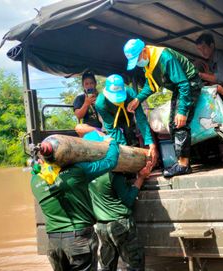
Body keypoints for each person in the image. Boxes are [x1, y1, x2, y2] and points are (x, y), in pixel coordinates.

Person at [30, 138, 120, 271]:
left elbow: (38, 172)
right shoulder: (76, 172)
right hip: (78, 239)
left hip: (54, 244)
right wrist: (113, 143)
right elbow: (110, 162)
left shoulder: (34, 181)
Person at [123, 38, 202, 177]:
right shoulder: (149, 63)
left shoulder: (165, 57)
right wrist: (137, 99)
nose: (138, 63)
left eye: (137, 59)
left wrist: (182, 111)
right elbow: (151, 84)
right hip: (180, 88)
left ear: (144, 50)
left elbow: (184, 84)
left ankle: (183, 165)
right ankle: (184, 162)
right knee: (172, 124)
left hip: (189, 84)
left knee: (179, 123)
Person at [84, 132, 153, 271]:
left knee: (106, 267)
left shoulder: (84, 173)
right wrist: (140, 178)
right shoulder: (113, 174)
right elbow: (128, 200)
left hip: (101, 228)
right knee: (135, 265)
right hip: (120, 226)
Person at [95, 74, 158, 164]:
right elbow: (112, 127)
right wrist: (124, 150)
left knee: (130, 135)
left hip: (127, 117)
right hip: (113, 120)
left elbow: (141, 119)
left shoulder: (130, 93)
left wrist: (150, 143)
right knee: (119, 143)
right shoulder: (100, 103)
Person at [194, 33, 223, 115]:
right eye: (199, 49)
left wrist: (200, 75)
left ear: (211, 46)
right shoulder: (210, 61)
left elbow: (220, 79)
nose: (202, 52)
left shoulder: (222, 57)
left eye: (204, 47)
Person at [74, 72, 104, 137]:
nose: (89, 86)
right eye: (86, 84)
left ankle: (103, 134)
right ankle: (102, 135)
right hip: (89, 129)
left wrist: (98, 104)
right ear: (83, 85)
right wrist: (86, 103)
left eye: (91, 83)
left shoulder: (102, 96)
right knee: (79, 127)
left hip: (105, 127)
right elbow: (78, 116)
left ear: (95, 84)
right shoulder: (80, 98)